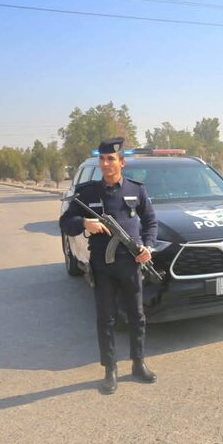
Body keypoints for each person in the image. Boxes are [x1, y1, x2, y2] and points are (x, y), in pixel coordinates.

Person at [60, 137, 158, 393]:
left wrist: (148, 245)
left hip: (131, 263)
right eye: (102, 159)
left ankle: (138, 363)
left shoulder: (137, 190)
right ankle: (110, 369)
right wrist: (84, 223)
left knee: (137, 316)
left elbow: (151, 222)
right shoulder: (88, 192)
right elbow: (65, 222)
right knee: (106, 318)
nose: (106, 164)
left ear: (121, 163)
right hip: (102, 267)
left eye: (111, 159)